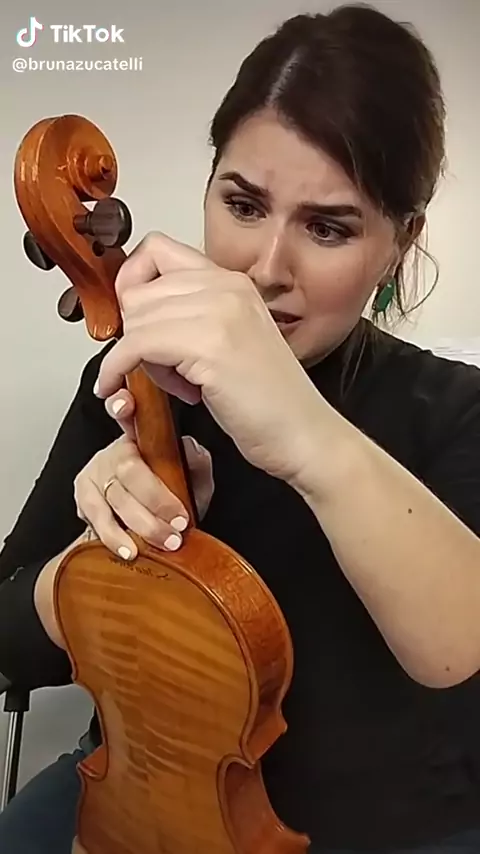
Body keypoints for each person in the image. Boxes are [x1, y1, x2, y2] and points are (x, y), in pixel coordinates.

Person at [1, 4, 480, 852]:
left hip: (384, 825)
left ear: (398, 244)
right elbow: (11, 644)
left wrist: (302, 430)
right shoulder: (138, 375)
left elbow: (457, 649)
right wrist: (93, 562)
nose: (266, 270)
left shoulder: (455, 407)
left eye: (328, 227)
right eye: (243, 204)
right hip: (144, 790)